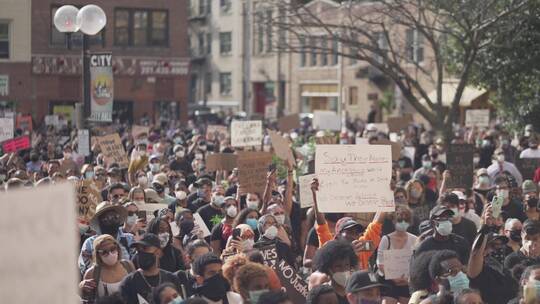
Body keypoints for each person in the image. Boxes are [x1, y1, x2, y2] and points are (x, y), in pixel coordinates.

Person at [311, 178, 385, 270]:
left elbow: (376, 225)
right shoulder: (330, 247)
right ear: (338, 235)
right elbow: (321, 224)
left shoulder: (362, 248)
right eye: (349, 232)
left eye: (356, 232)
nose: (353, 236)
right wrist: (315, 195)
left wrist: (387, 194)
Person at [119, 233, 181, 304]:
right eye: (138, 250)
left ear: (158, 252)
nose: (141, 253)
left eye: (145, 248)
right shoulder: (128, 283)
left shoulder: (172, 279)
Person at [79, 202, 135, 276]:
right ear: (100, 221)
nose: (111, 220)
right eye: (107, 218)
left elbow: (136, 265)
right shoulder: (90, 243)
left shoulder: (129, 239)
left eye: (115, 216)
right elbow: (84, 269)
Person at [376, 206, 417, 304]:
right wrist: (394, 278)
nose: (403, 222)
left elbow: (416, 262)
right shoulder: (386, 239)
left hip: (406, 281)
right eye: (400, 220)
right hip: (387, 281)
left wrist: (407, 279)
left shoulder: (415, 240)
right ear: (394, 221)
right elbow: (380, 262)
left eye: (406, 220)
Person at [80, 235, 135, 303]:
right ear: (98, 255)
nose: (110, 254)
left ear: (117, 248)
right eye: (104, 252)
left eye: (112, 249)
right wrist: (81, 289)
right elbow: (86, 298)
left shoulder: (128, 266)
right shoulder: (92, 273)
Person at [468, 228, 517, 304]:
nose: (498, 248)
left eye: (501, 245)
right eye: (493, 245)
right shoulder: (478, 271)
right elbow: (475, 253)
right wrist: (485, 229)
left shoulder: (506, 273)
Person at [312, 240, 359, 304]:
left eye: (347, 265)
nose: (343, 270)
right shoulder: (322, 295)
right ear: (329, 269)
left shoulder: (356, 293)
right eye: (338, 266)